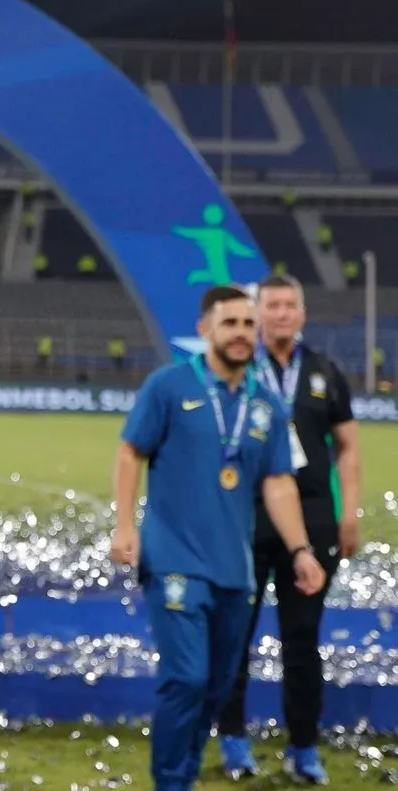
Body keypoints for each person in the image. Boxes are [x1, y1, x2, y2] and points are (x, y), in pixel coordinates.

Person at [109, 284, 327, 791]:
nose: (242, 334)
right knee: (186, 678)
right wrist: (124, 526)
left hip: (235, 569)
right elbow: (128, 452)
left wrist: (300, 550)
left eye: (249, 325)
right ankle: (171, 782)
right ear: (205, 328)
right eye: (230, 323)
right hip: (173, 560)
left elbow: (277, 484)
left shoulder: (266, 404)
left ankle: (181, 775)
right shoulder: (168, 386)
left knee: (216, 687)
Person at [217, 274, 362, 783]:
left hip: (315, 518)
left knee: (302, 638)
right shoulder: (237, 370)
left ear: (302, 313)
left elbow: (346, 447)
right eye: (271, 306)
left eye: (288, 305)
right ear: (258, 314)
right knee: (237, 635)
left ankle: (304, 748)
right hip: (248, 516)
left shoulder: (324, 371)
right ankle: (234, 740)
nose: (280, 314)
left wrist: (350, 513)